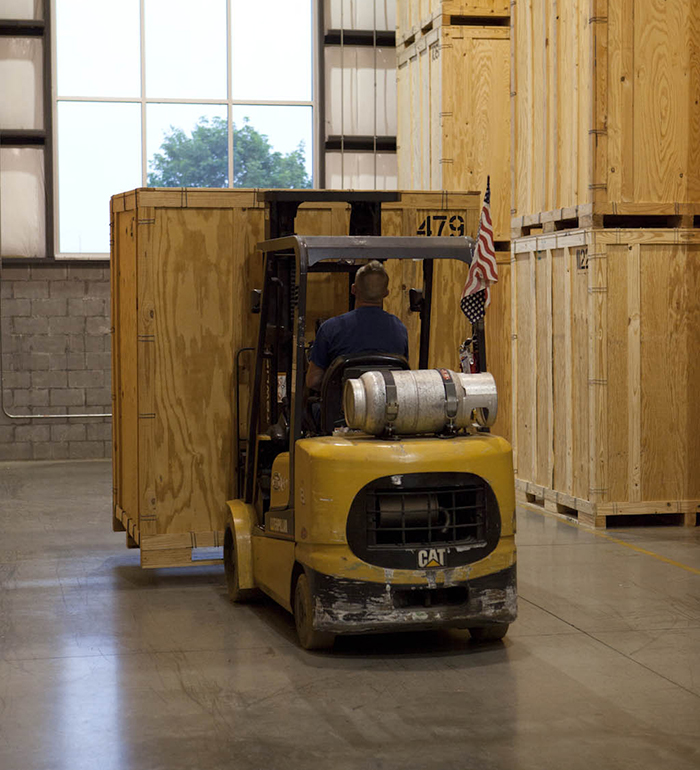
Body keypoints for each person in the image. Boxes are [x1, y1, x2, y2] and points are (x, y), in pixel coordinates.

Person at [306, 260, 409, 391]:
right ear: (386, 293)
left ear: (353, 289)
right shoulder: (400, 329)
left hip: (340, 409)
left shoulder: (330, 329)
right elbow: (402, 378)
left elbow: (313, 381)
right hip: (386, 408)